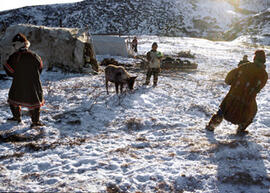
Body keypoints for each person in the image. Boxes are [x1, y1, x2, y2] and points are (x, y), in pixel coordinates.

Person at [206, 50, 268, 134]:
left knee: (223, 109)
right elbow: (258, 88)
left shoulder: (244, 67)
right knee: (252, 112)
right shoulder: (264, 75)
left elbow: (228, 80)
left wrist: (235, 84)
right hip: (247, 100)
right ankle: (241, 129)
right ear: (264, 61)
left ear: (254, 58)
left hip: (233, 95)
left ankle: (212, 125)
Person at [3, 33, 45, 127]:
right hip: (33, 83)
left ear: (17, 45)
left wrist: (16, 75)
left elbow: (8, 68)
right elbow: (40, 67)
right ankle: (35, 121)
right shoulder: (35, 56)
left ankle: (16, 117)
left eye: (14, 45)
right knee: (34, 102)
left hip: (19, 83)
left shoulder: (14, 56)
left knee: (14, 99)